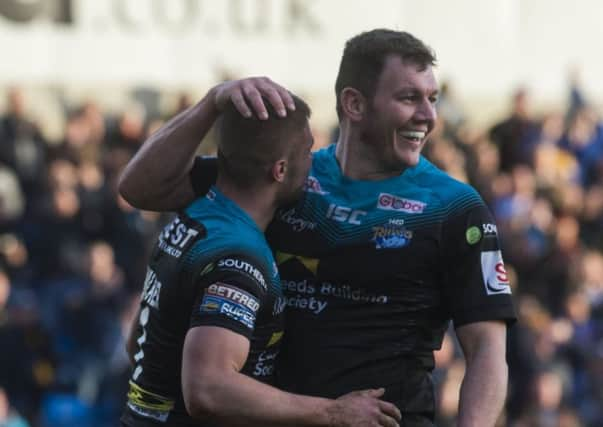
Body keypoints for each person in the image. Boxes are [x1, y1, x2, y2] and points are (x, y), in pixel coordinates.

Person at [119, 29, 516, 427]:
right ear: (354, 104)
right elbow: (140, 188)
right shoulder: (286, 177)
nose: (429, 116)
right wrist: (211, 103)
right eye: (409, 98)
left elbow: (486, 349)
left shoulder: (455, 208)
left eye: (432, 99)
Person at [120, 92, 401, 427]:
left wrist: (213, 102)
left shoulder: (195, 215)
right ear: (280, 169)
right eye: (307, 151)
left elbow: (138, 338)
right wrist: (332, 412)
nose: (315, 164)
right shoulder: (237, 259)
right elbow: (208, 389)